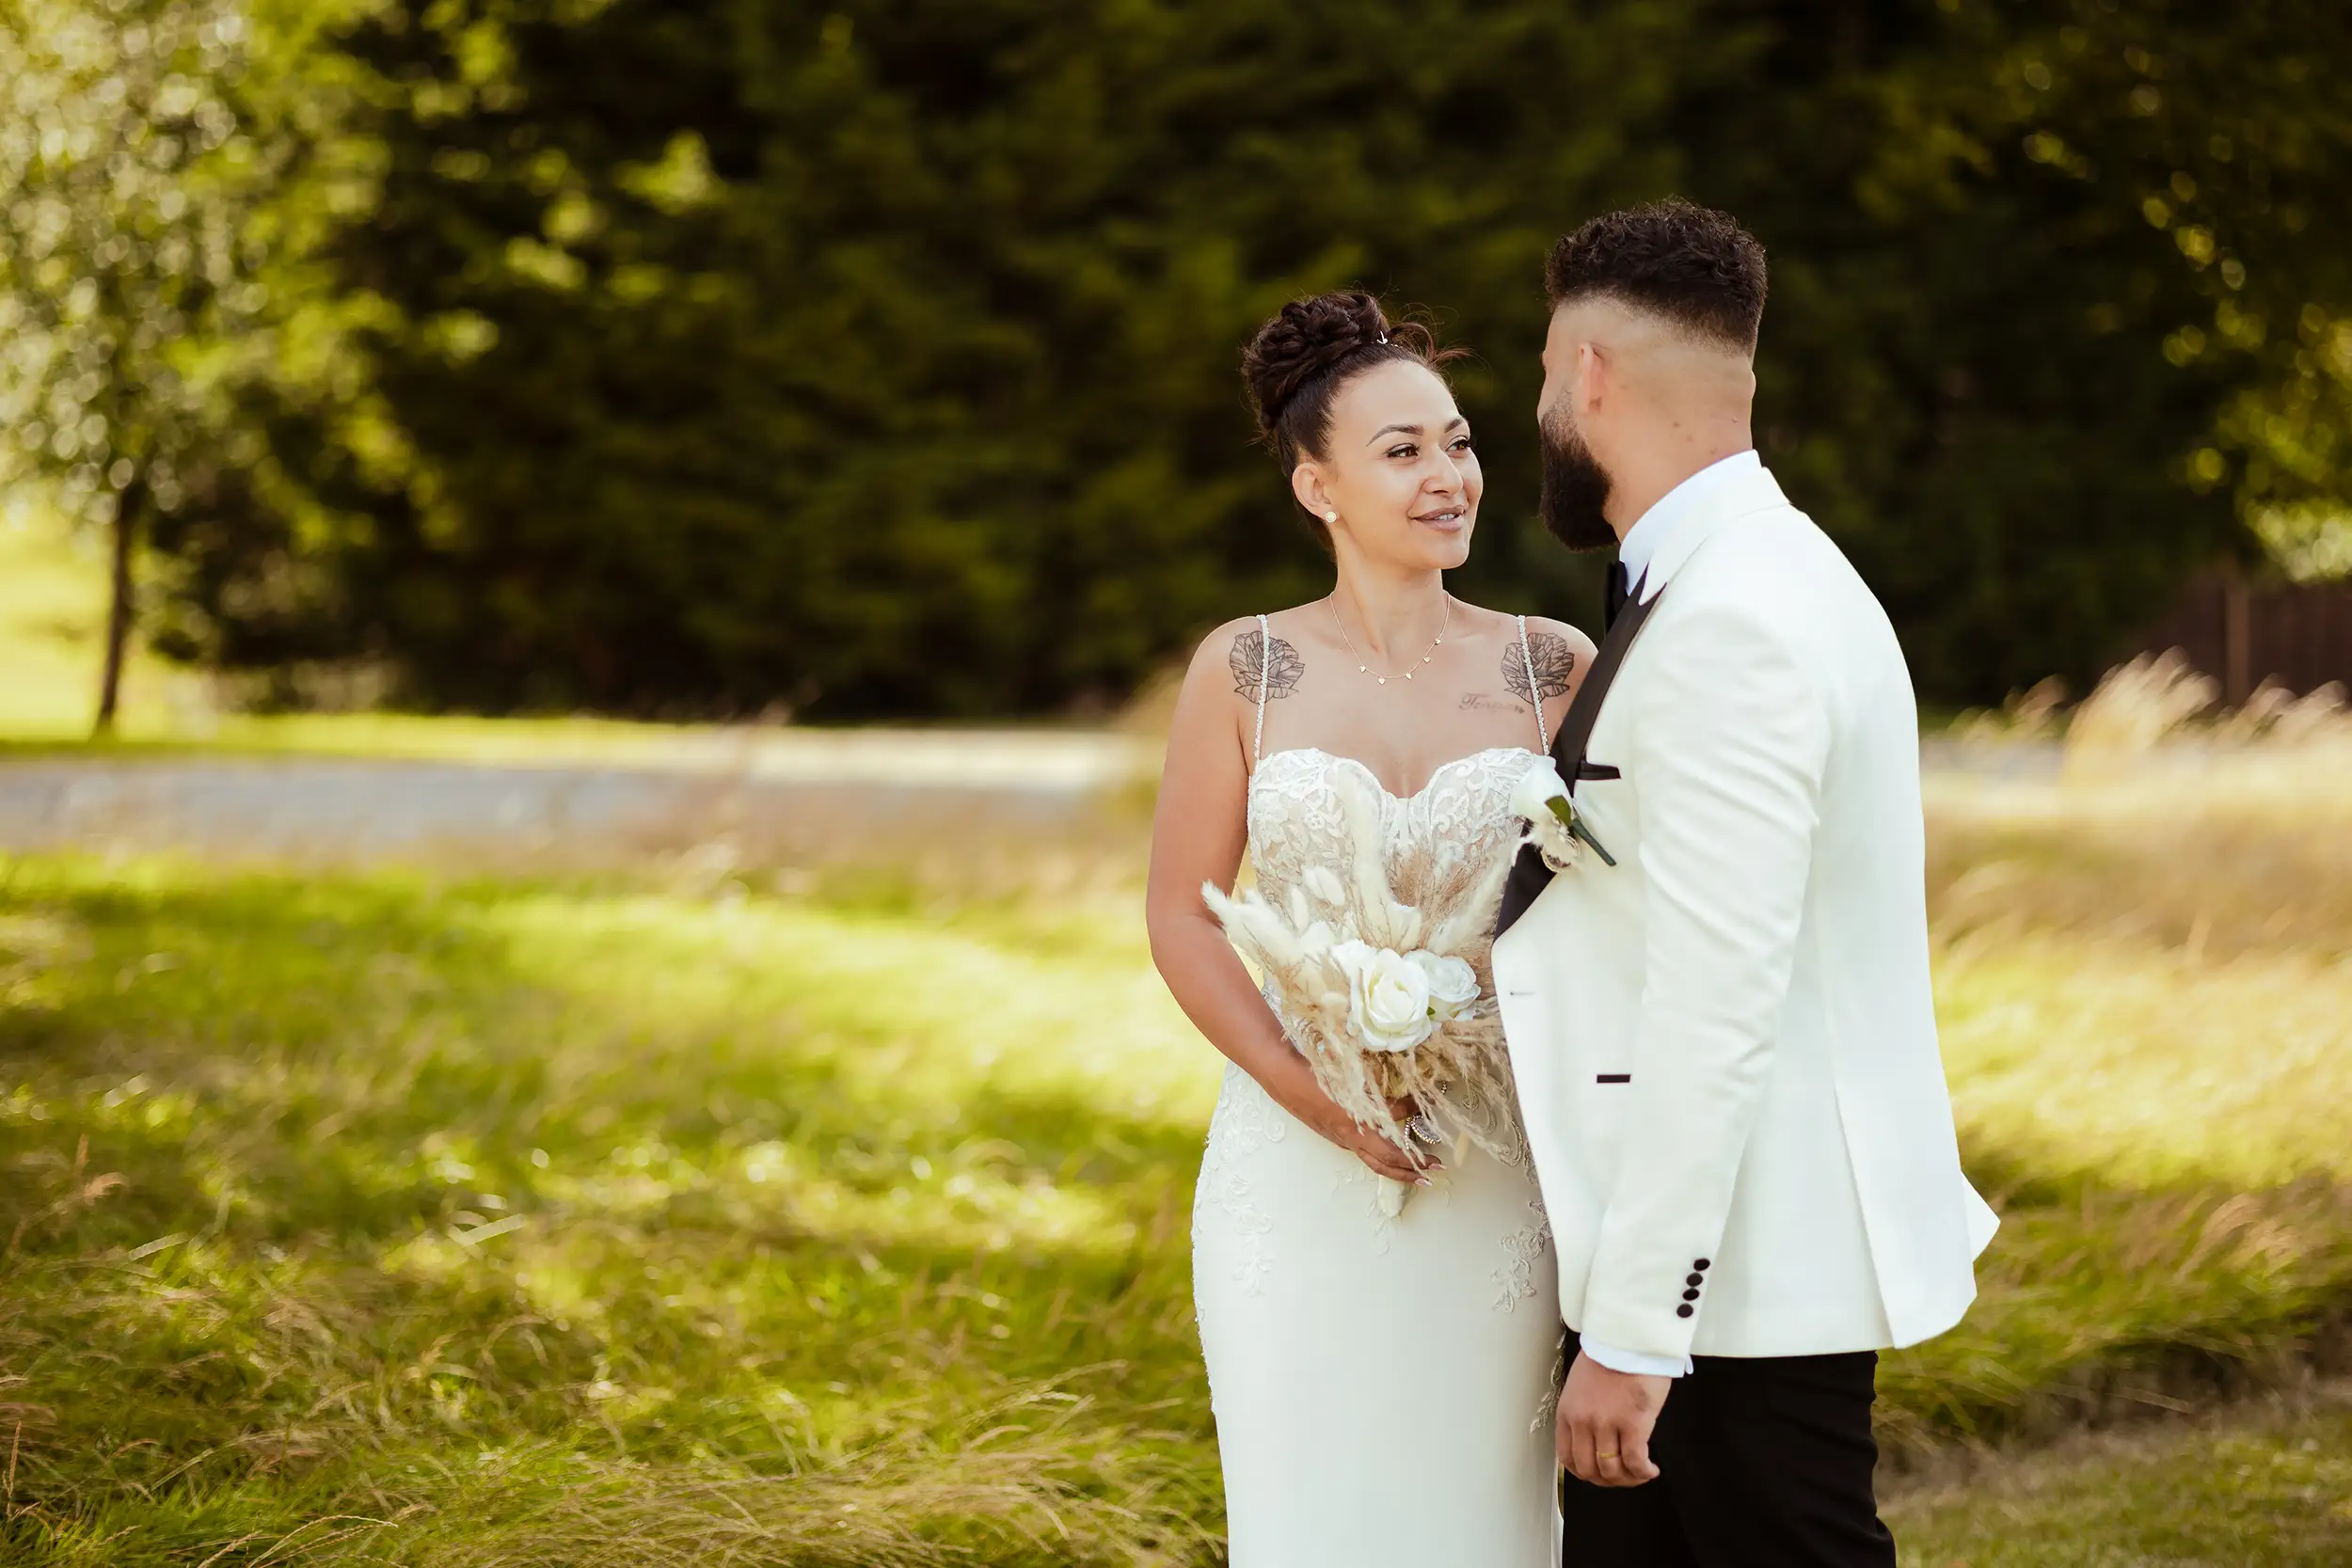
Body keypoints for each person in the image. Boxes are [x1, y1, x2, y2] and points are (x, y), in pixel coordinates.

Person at [1491, 198, 2001, 1567]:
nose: (1540, 402)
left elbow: (1723, 997)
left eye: (1544, 371)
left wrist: (1638, 1326)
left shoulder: (1731, 621)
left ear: (1590, 373)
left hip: (1740, 1276)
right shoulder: (1759, 576)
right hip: (1723, 1255)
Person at [1145, 290, 1596, 1565]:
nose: (1450, 475)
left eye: (1458, 441)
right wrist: (1322, 1097)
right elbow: (1182, 914)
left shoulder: (1549, 666)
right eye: (1403, 451)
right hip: (1292, 1167)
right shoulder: (1244, 669)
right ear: (1317, 487)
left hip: (1494, 1159)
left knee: (1483, 1513)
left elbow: (1603, 913)